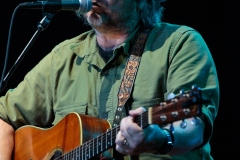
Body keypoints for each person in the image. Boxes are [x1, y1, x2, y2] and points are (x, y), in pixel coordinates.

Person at [0, 0, 219, 159]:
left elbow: (193, 125)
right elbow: (3, 117)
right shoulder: (62, 57)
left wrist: (161, 138)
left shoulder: (179, 44)